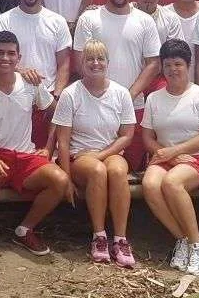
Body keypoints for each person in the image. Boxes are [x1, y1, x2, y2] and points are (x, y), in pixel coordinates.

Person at [0, 31, 71, 266]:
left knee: (60, 180)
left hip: (25, 157)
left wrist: (48, 147)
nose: (5, 58)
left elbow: (58, 113)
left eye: (11, 53)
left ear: (18, 57)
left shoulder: (30, 84)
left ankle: (25, 229)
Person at [51, 39, 138, 267]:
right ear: (82, 63)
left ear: (107, 62)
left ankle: (120, 239)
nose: (95, 63)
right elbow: (63, 139)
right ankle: (99, 236)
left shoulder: (121, 93)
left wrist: (101, 155)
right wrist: (67, 179)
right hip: (80, 155)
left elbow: (127, 135)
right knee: (98, 171)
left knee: (118, 170)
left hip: (109, 151)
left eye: (100, 58)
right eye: (90, 58)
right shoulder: (71, 94)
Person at [140, 39, 199, 276]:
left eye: (178, 64)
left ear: (188, 65)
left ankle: (198, 244)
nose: (173, 69)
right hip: (164, 156)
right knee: (150, 184)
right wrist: (170, 156)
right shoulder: (154, 98)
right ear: (162, 68)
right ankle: (182, 240)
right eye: (167, 65)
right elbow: (147, 138)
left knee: (172, 182)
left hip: (197, 158)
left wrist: (175, 152)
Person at [73, 0, 161, 171]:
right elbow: (79, 61)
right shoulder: (89, 19)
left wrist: (128, 95)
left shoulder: (145, 21)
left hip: (133, 105)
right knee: (96, 167)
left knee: (129, 169)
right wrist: (104, 95)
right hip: (95, 105)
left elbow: (153, 63)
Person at [0, 0, 71, 149]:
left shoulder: (57, 21)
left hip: (49, 103)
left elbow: (64, 63)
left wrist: (58, 94)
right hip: (15, 100)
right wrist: (20, 70)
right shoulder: (3, 21)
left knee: (45, 158)